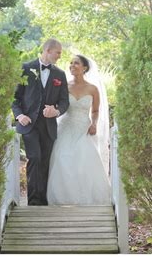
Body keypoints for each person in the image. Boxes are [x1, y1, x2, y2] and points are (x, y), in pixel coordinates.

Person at [12, 39, 70, 206]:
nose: (60, 56)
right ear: (48, 50)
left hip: (48, 127)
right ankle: (33, 202)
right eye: (58, 52)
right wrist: (20, 115)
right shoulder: (25, 68)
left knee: (44, 162)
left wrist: (56, 111)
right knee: (35, 158)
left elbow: (65, 101)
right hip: (29, 124)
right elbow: (14, 98)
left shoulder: (60, 74)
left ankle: (42, 202)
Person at [47, 55, 111, 205]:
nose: (72, 65)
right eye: (70, 63)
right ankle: (63, 198)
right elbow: (58, 105)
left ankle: (84, 198)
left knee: (83, 161)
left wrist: (94, 124)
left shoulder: (93, 89)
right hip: (65, 127)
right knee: (62, 158)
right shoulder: (64, 86)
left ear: (84, 68)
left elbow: (95, 111)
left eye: (76, 63)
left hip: (84, 128)